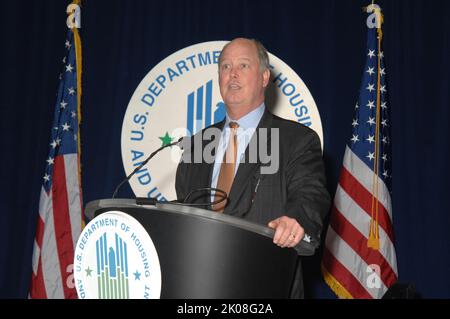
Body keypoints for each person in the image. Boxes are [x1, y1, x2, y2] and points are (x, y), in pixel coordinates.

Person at [175, 38, 330, 298]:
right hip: (199, 289)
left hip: (266, 287)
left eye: (243, 65)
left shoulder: (295, 140)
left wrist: (296, 220)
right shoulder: (195, 147)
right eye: (225, 67)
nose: (232, 74)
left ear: (265, 77)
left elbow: (310, 193)